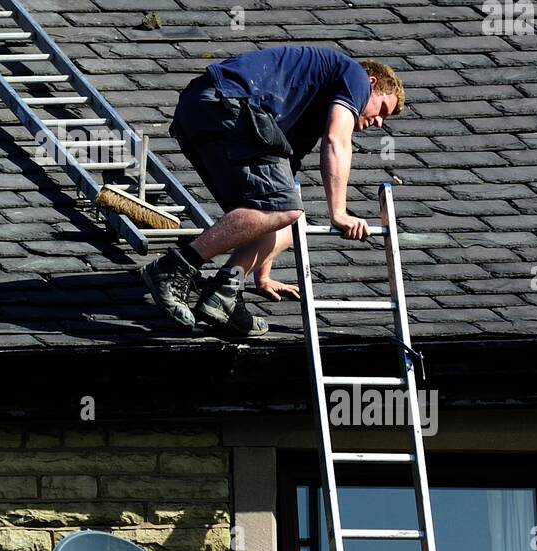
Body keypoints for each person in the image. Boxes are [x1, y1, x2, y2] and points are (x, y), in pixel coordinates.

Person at [141, 45, 404, 336]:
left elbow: (280, 187)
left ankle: (225, 292)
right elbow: (336, 140)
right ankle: (173, 268)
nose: (379, 122)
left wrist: (261, 273)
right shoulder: (354, 74)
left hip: (198, 111)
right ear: (372, 83)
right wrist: (339, 213)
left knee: (285, 217)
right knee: (284, 207)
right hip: (228, 104)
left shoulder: (304, 114)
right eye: (382, 110)